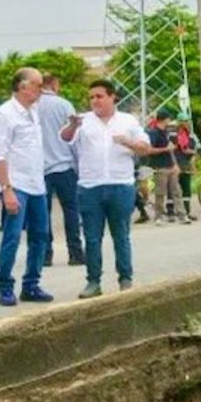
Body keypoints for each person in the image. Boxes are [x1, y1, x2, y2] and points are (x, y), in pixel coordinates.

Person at [60, 79, 152, 299]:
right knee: (92, 237)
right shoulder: (83, 121)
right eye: (91, 97)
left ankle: (125, 279)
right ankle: (93, 281)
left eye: (99, 96)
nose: (95, 101)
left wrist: (127, 142)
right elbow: (65, 137)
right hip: (90, 187)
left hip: (120, 185)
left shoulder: (127, 121)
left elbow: (145, 147)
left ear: (112, 97)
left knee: (121, 235)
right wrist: (73, 125)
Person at [0, 67, 54, 306]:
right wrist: (6, 189)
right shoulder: (5, 114)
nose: (41, 89)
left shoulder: (33, 111)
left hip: (37, 183)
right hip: (15, 184)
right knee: (12, 236)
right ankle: (5, 284)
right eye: (37, 84)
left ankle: (31, 284)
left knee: (40, 236)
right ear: (22, 86)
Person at [37, 73, 84, 266]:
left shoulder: (32, 106)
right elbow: (74, 137)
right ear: (54, 85)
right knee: (71, 210)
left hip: (40, 167)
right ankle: (75, 253)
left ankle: (45, 254)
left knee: (42, 212)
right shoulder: (64, 105)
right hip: (64, 165)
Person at [145, 109, 188, 226]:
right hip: (160, 166)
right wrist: (165, 149)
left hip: (171, 166)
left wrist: (175, 164)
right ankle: (158, 216)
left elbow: (171, 150)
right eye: (168, 118)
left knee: (177, 191)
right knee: (160, 192)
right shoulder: (153, 133)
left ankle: (182, 215)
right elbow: (149, 150)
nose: (170, 121)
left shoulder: (166, 132)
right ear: (164, 119)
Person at [174, 112, 198, 221]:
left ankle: (187, 212)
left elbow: (193, 153)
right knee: (174, 190)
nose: (186, 123)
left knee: (186, 190)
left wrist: (193, 166)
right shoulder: (175, 134)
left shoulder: (190, 135)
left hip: (186, 166)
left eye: (187, 121)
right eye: (184, 121)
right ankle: (174, 212)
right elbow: (184, 149)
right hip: (176, 165)